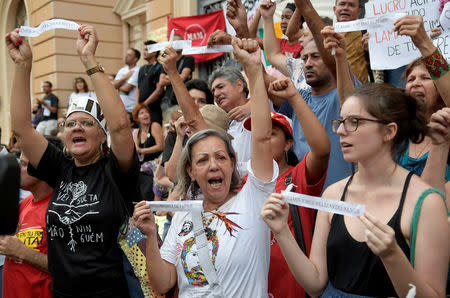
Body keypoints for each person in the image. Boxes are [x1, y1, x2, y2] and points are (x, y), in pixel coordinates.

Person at [262, 83, 449, 297]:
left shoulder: (426, 202)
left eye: (354, 122)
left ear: (389, 131)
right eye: (340, 122)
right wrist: (282, 231)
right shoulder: (333, 194)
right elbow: (315, 285)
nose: (341, 131)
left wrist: (392, 256)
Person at [133, 38, 278, 297]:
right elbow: (163, 284)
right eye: (202, 160)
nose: (213, 165)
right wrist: (151, 237)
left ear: (234, 163)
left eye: (221, 157)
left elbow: (262, 136)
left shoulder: (254, 197)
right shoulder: (183, 217)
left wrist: (255, 71)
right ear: (190, 171)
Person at [6, 25, 140, 297]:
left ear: (103, 136)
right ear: (64, 136)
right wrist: (23, 65)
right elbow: (22, 128)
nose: (77, 127)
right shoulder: (60, 169)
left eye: (87, 123)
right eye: (70, 124)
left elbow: (121, 126)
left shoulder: (116, 171)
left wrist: (89, 59)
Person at [244, 76, 330, 298]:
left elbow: (321, 150)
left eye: (271, 134)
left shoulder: (298, 177)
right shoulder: (244, 185)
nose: (262, 139)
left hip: (294, 287)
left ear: (288, 144)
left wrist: (293, 97)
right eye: (258, 135)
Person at [1, 137, 62, 298]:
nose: (17, 168)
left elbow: (66, 268)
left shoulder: (60, 210)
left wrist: (21, 251)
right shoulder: (26, 202)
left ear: (43, 169)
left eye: (24, 164)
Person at [394, 16, 450, 186]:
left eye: (425, 77)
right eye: (410, 80)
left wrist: (424, 43)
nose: (416, 83)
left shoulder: (448, 127)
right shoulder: (396, 131)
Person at [159, 34, 195, 111]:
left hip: (183, 100)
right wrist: (177, 76)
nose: (177, 44)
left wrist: (168, 77)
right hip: (168, 101)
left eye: (180, 42)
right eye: (175, 42)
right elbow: (161, 82)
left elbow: (183, 78)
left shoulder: (188, 59)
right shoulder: (166, 61)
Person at [136, 40, 164, 124]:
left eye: (147, 50)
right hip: (141, 109)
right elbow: (138, 88)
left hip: (154, 109)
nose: (144, 52)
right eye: (144, 49)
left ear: (155, 52)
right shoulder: (142, 68)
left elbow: (159, 90)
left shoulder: (159, 67)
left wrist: (144, 104)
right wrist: (138, 105)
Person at [114, 48, 140, 113]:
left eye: (129, 55)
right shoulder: (122, 70)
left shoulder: (138, 70)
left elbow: (127, 88)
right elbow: (114, 85)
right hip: (119, 107)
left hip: (131, 108)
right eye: (126, 54)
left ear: (135, 59)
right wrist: (125, 77)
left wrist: (118, 86)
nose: (126, 56)